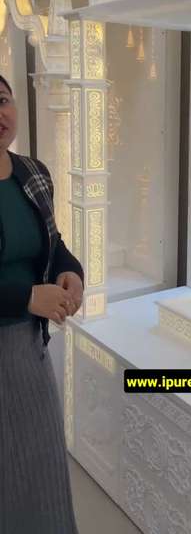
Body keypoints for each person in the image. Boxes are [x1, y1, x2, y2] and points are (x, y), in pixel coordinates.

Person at [0, 74, 83, 533]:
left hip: (27, 350)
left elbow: (53, 242)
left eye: (2, 100)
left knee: (41, 468)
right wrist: (29, 296)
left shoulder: (33, 173)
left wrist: (71, 271)